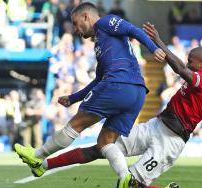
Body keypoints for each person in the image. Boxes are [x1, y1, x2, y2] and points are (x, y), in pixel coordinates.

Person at [16, 1, 202, 188]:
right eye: (189, 60)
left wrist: (158, 44)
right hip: (156, 125)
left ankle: (39, 155)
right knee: (101, 147)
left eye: (192, 62)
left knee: (132, 184)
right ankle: (43, 165)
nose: (189, 64)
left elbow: (180, 69)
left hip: (171, 140)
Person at [14, 2, 164, 186]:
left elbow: (133, 30)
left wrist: (153, 47)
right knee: (105, 142)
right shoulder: (102, 43)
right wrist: (73, 98)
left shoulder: (106, 22)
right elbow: (98, 80)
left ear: (86, 16)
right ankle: (126, 177)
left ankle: (37, 155)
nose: (76, 29)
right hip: (137, 93)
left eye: (77, 24)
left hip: (118, 84)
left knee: (76, 124)